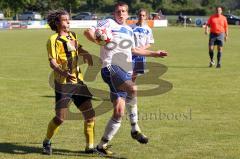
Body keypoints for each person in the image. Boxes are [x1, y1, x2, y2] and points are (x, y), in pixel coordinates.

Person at [84, 2, 167, 156]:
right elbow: (88, 32)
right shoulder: (108, 23)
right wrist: (99, 41)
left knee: (119, 112)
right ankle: (135, 128)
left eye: (123, 11)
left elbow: (134, 50)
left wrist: (156, 53)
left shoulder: (129, 30)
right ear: (114, 13)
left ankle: (101, 146)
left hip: (125, 70)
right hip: (110, 67)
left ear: (128, 14)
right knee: (133, 88)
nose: (120, 14)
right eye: (118, 11)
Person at [42, 10, 95, 155]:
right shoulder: (53, 40)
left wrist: (87, 54)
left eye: (68, 19)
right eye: (65, 20)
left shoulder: (73, 35)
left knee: (90, 115)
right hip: (63, 84)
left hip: (79, 82)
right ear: (57, 23)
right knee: (60, 118)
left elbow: (78, 48)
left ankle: (89, 147)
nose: (68, 22)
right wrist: (64, 73)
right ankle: (47, 141)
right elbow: (52, 62)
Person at [126, 8, 154, 145]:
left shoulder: (148, 29)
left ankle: (128, 91)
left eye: (144, 15)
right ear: (137, 16)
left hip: (140, 55)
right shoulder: (131, 27)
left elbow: (150, 42)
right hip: (130, 54)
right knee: (128, 74)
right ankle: (127, 91)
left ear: (147, 17)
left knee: (134, 76)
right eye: (140, 15)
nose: (141, 17)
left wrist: (144, 48)